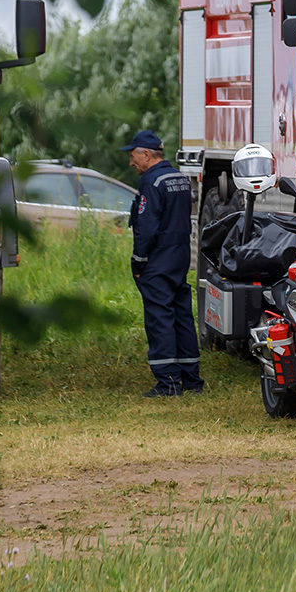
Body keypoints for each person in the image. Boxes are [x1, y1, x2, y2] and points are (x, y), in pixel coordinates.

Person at [123, 130, 204, 396]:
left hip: (158, 258)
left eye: (133, 155)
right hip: (180, 256)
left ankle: (167, 382)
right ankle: (191, 380)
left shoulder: (152, 182)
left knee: (160, 317)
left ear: (146, 154)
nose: (131, 162)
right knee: (181, 315)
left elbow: (146, 227)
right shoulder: (179, 178)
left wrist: (138, 259)